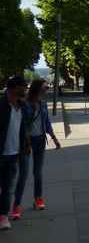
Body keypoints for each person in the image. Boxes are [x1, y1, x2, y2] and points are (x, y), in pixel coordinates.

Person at [12, 79, 61, 219]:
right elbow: (23, 126)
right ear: (39, 88)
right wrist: (26, 143)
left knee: (38, 172)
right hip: (26, 141)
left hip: (40, 139)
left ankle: (38, 198)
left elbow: (47, 122)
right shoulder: (26, 106)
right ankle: (16, 205)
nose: (48, 89)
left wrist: (54, 137)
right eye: (46, 86)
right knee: (24, 174)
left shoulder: (44, 104)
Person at [0, 76, 30, 231]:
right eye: (25, 86)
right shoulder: (1, 104)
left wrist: (26, 144)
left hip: (13, 153)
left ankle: (3, 215)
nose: (26, 89)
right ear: (17, 87)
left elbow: (22, 127)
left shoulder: (22, 106)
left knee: (8, 186)